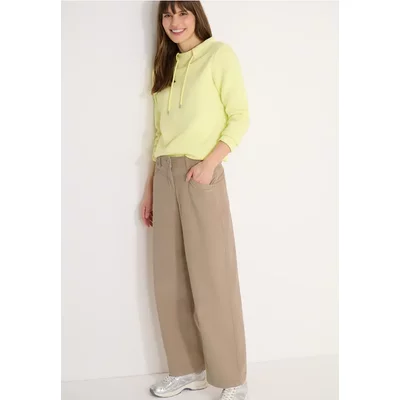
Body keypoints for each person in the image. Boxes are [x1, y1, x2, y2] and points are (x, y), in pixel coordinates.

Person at [141, 1, 250, 399]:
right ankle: (187, 370)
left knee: (213, 278)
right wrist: (151, 188)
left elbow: (239, 116)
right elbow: (159, 134)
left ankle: (232, 377)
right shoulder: (165, 66)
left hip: (200, 173)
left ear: (196, 16)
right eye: (167, 15)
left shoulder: (218, 55)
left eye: (182, 13)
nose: (175, 22)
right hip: (165, 173)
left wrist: (209, 164)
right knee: (169, 279)